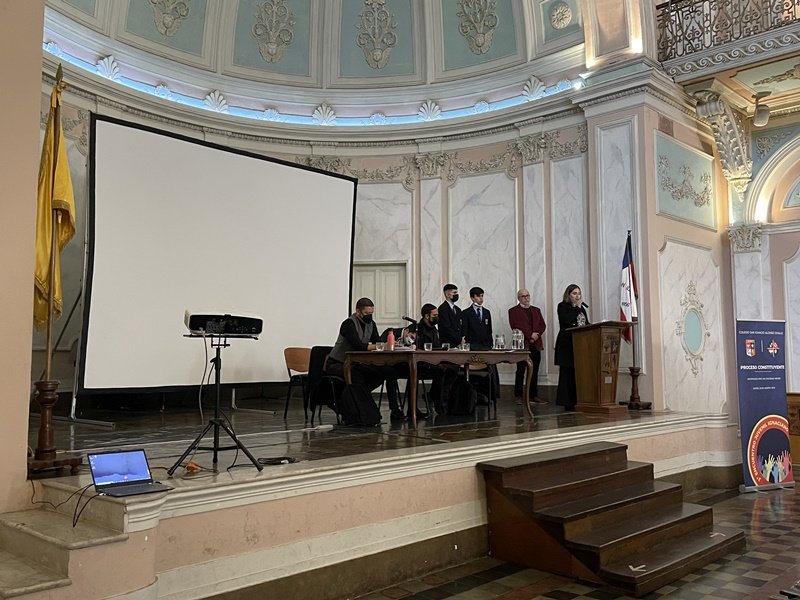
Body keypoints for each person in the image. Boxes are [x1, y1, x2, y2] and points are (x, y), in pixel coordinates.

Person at [325, 297, 405, 420]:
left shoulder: (371, 324)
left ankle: (394, 409)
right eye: (367, 313)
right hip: (337, 363)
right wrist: (381, 345)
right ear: (358, 311)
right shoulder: (348, 324)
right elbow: (358, 345)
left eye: (371, 313)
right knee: (357, 376)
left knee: (389, 372)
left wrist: (391, 345)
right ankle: (359, 407)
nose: (369, 316)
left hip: (356, 363)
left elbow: (377, 342)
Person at [416, 303, 458, 413]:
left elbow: (436, 346)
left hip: (435, 360)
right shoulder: (418, 329)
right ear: (426, 316)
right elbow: (420, 349)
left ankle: (436, 396)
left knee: (454, 368)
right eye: (434, 315)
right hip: (423, 363)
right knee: (441, 370)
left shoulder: (434, 329)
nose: (437, 317)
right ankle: (438, 402)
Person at [508, 288, 547, 405]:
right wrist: (530, 335)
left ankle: (532, 395)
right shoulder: (513, 311)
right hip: (522, 345)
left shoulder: (536, 310)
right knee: (520, 371)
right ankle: (518, 395)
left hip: (536, 344)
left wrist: (536, 335)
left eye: (527, 295)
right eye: (523, 296)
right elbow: (515, 326)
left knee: (534, 370)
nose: (526, 298)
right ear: (518, 298)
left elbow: (542, 325)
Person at [554, 284, 589, 411]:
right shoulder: (562, 306)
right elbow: (567, 320)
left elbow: (585, 323)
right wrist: (577, 308)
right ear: (568, 295)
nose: (577, 296)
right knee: (567, 374)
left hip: (580, 346)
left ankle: (579, 400)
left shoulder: (581, 309)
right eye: (574, 293)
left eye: (579, 293)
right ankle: (567, 402)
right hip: (566, 345)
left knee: (578, 373)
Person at [437, 283, 463, 348]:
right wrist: (459, 339)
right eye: (454, 293)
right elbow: (446, 328)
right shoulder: (442, 309)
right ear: (447, 294)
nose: (456, 295)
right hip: (447, 344)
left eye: (456, 292)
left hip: (458, 344)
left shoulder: (458, 309)